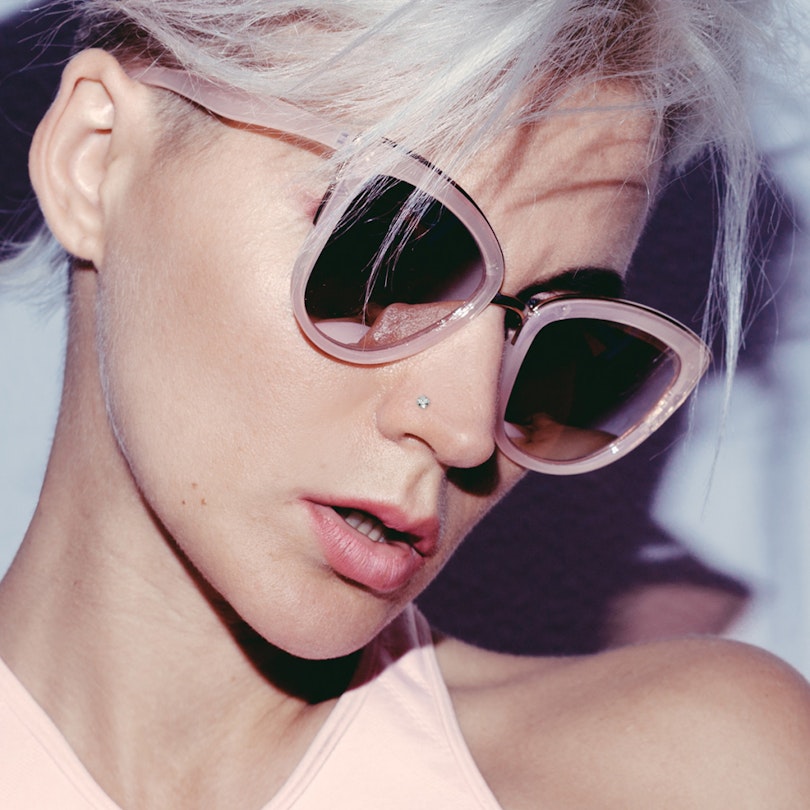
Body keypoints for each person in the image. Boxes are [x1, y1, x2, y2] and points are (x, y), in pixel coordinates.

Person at [1, 1, 809, 808]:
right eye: (387, 261)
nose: (467, 432)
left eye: (559, 344)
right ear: (94, 160)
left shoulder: (692, 776)